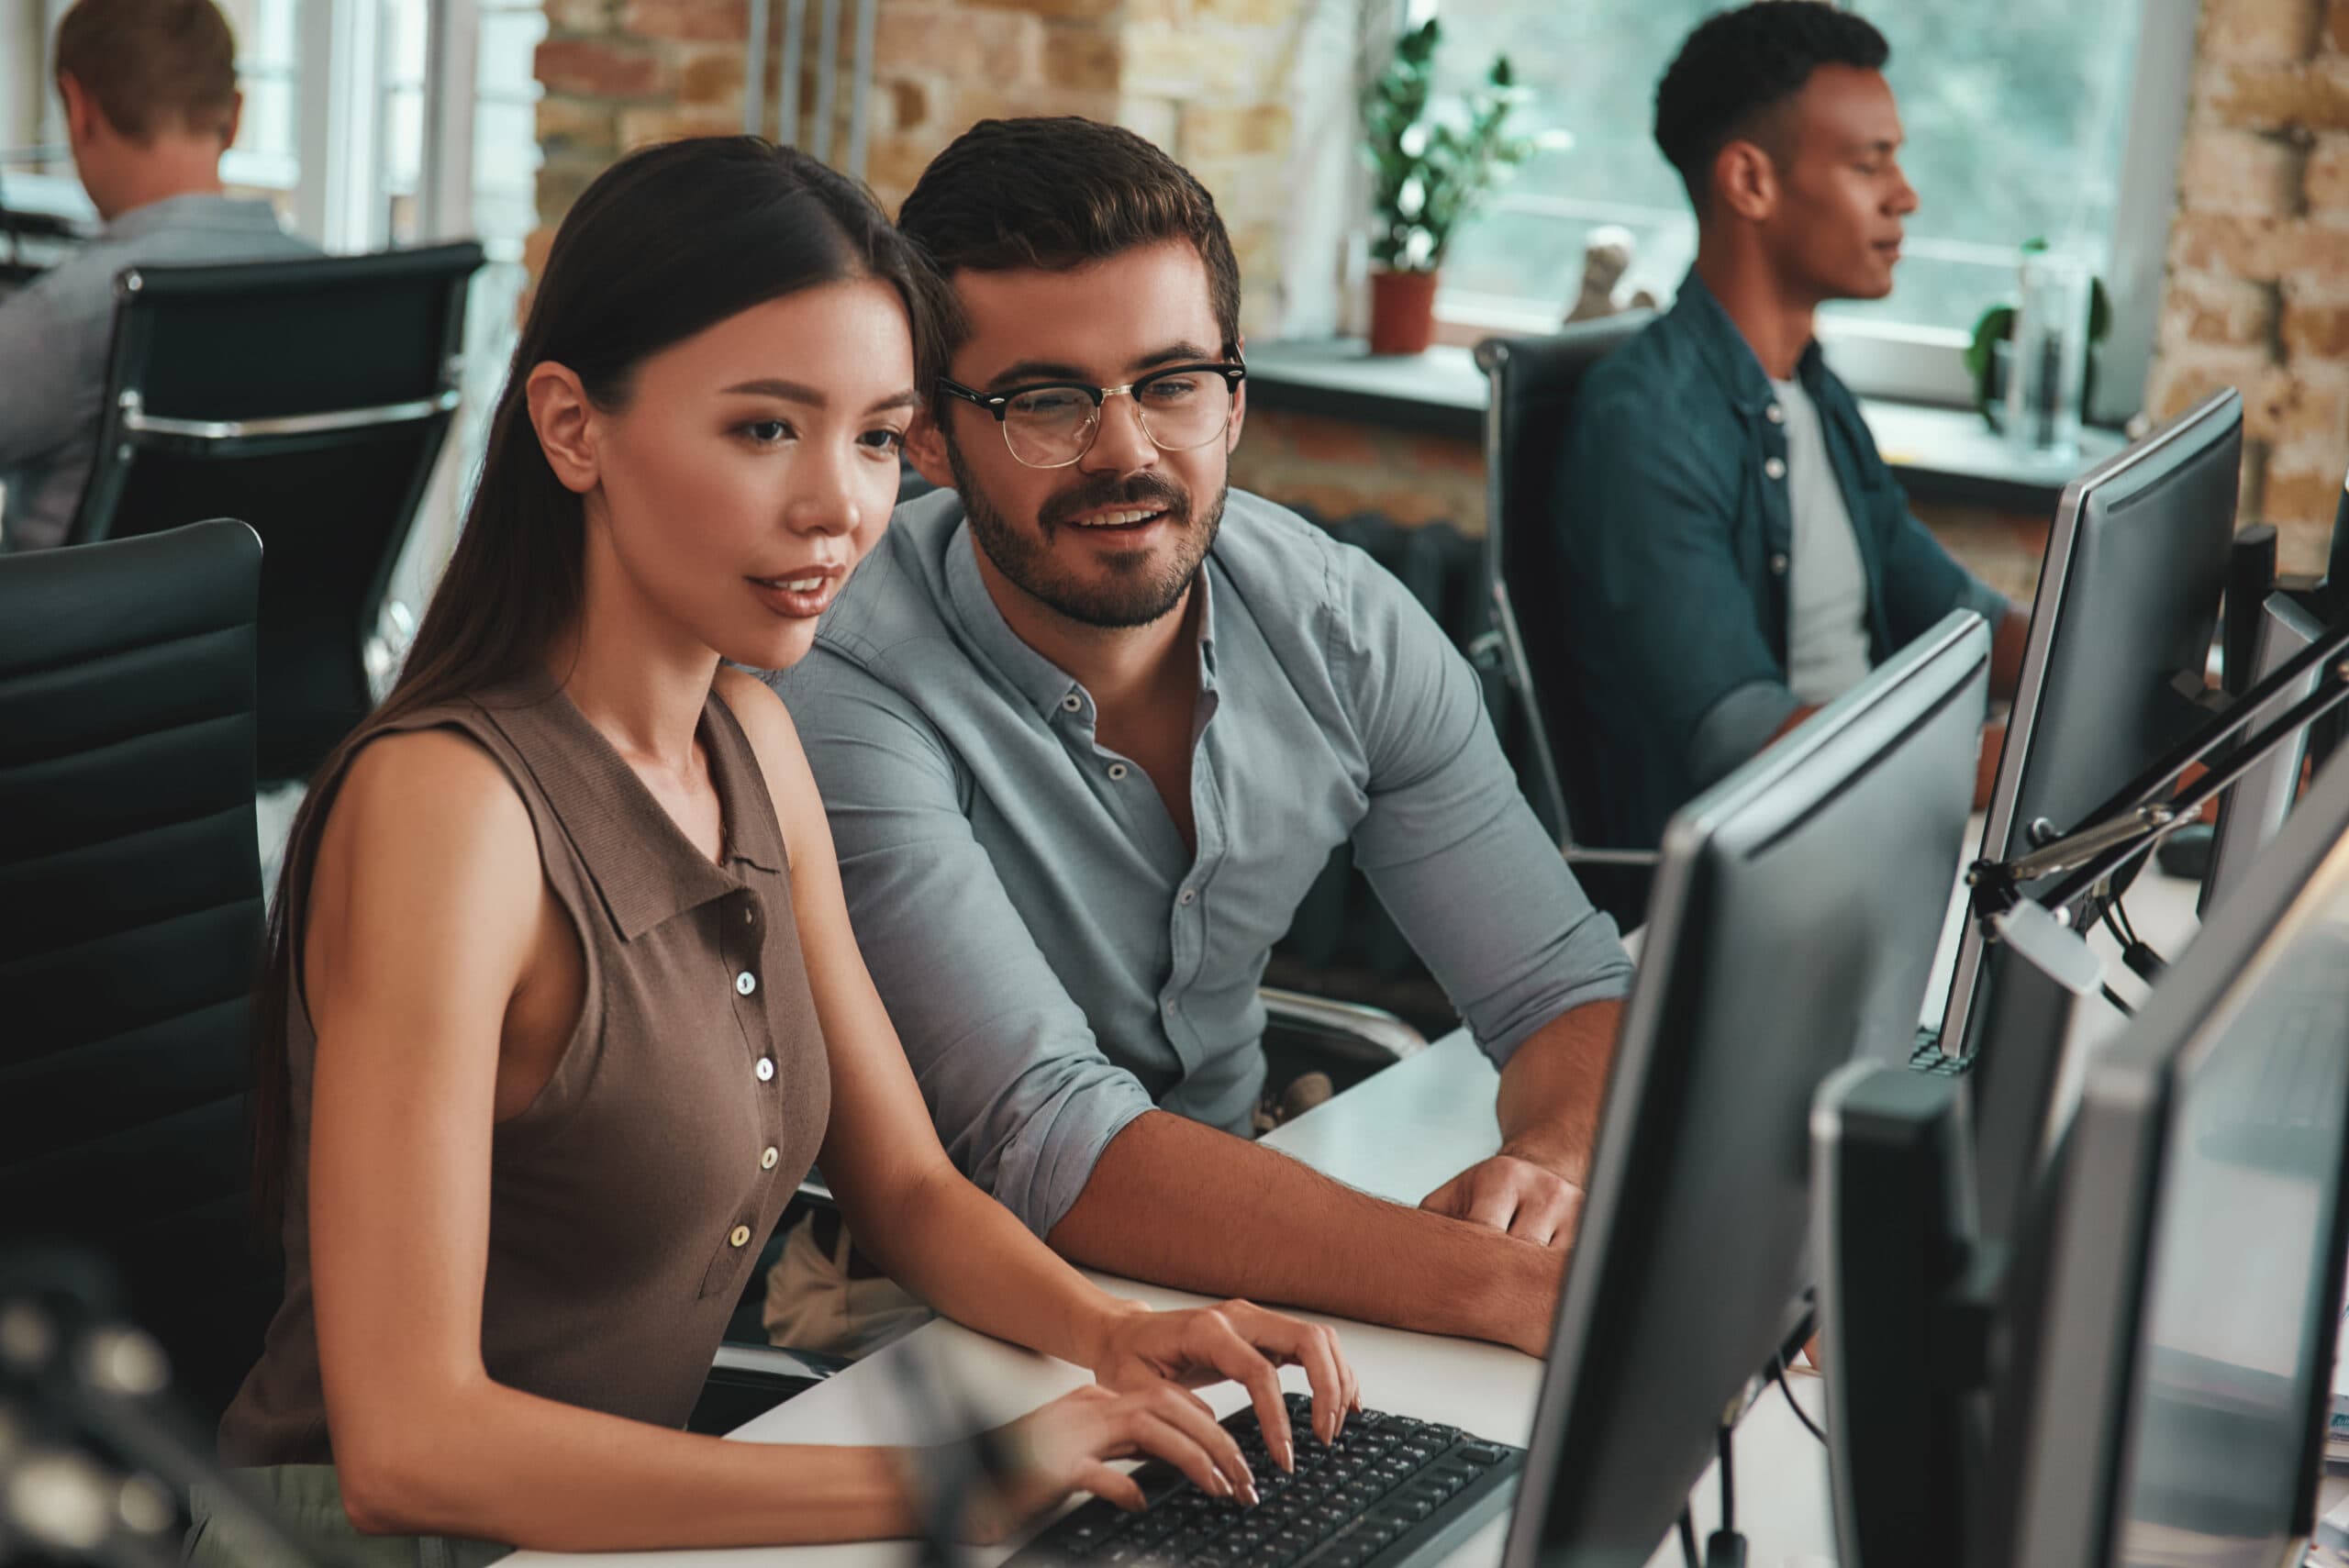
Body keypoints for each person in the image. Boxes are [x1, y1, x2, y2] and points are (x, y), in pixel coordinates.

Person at [201, 138, 1356, 1568]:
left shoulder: (750, 735)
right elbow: (407, 1449)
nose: (840, 507)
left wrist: (1117, 1333)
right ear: (573, 427)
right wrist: (954, 1475)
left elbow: (914, 1190)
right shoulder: (452, 813)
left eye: (877, 437)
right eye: (766, 429)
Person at [762, 116, 1634, 1364]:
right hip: (939, 1315)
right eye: (1045, 401)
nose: (1125, 454)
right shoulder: (842, 688)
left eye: (1171, 383)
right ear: (932, 440)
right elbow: (1044, 1136)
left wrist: (1546, 1167)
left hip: (1259, 1234)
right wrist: (1491, 1286)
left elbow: (1564, 990)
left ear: (1233, 400)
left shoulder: (1342, 627)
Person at [1554, 1, 2031, 854]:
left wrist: (2147, 689)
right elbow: (1742, 739)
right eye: (1869, 163)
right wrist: (2012, 760)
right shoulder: (1644, 422)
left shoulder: (1815, 394)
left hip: (1868, 832)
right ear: (1751, 183)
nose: (1906, 196)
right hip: (1763, 884)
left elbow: (1961, 616)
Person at [0, 0, 316, 551]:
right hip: (281, 637)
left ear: (79, 109)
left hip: (79, 636)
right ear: (235, 115)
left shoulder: (62, 319)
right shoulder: (340, 294)